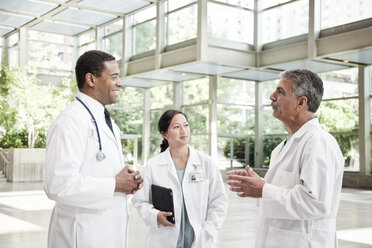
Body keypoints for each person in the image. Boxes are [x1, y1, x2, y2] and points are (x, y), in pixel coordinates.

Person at [226, 69, 344, 248]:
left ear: (301, 102)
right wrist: (262, 185)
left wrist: (264, 190)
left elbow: (315, 203)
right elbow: (285, 190)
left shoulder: (318, 142)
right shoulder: (285, 146)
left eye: (280, 91)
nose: (272, 97)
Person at [43, 50, 143, 248]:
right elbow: (58, 184)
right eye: (113, 77)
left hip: (106, 231)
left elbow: (98, 167)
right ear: (91, 79)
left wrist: (127, 180)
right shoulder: (69, 121)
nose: (120, 83)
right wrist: (114, 184)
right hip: (82, 235)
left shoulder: (105, 120)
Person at [132, 109, 228, 248]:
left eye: (186, 125)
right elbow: (140, 201)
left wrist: (208, 231)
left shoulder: (206, 162)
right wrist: (155, 216)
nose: (183, 131)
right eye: (176, 127)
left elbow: (219, 201)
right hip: (163, 240)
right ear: (164, 134)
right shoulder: (153, 165)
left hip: (199, 240)